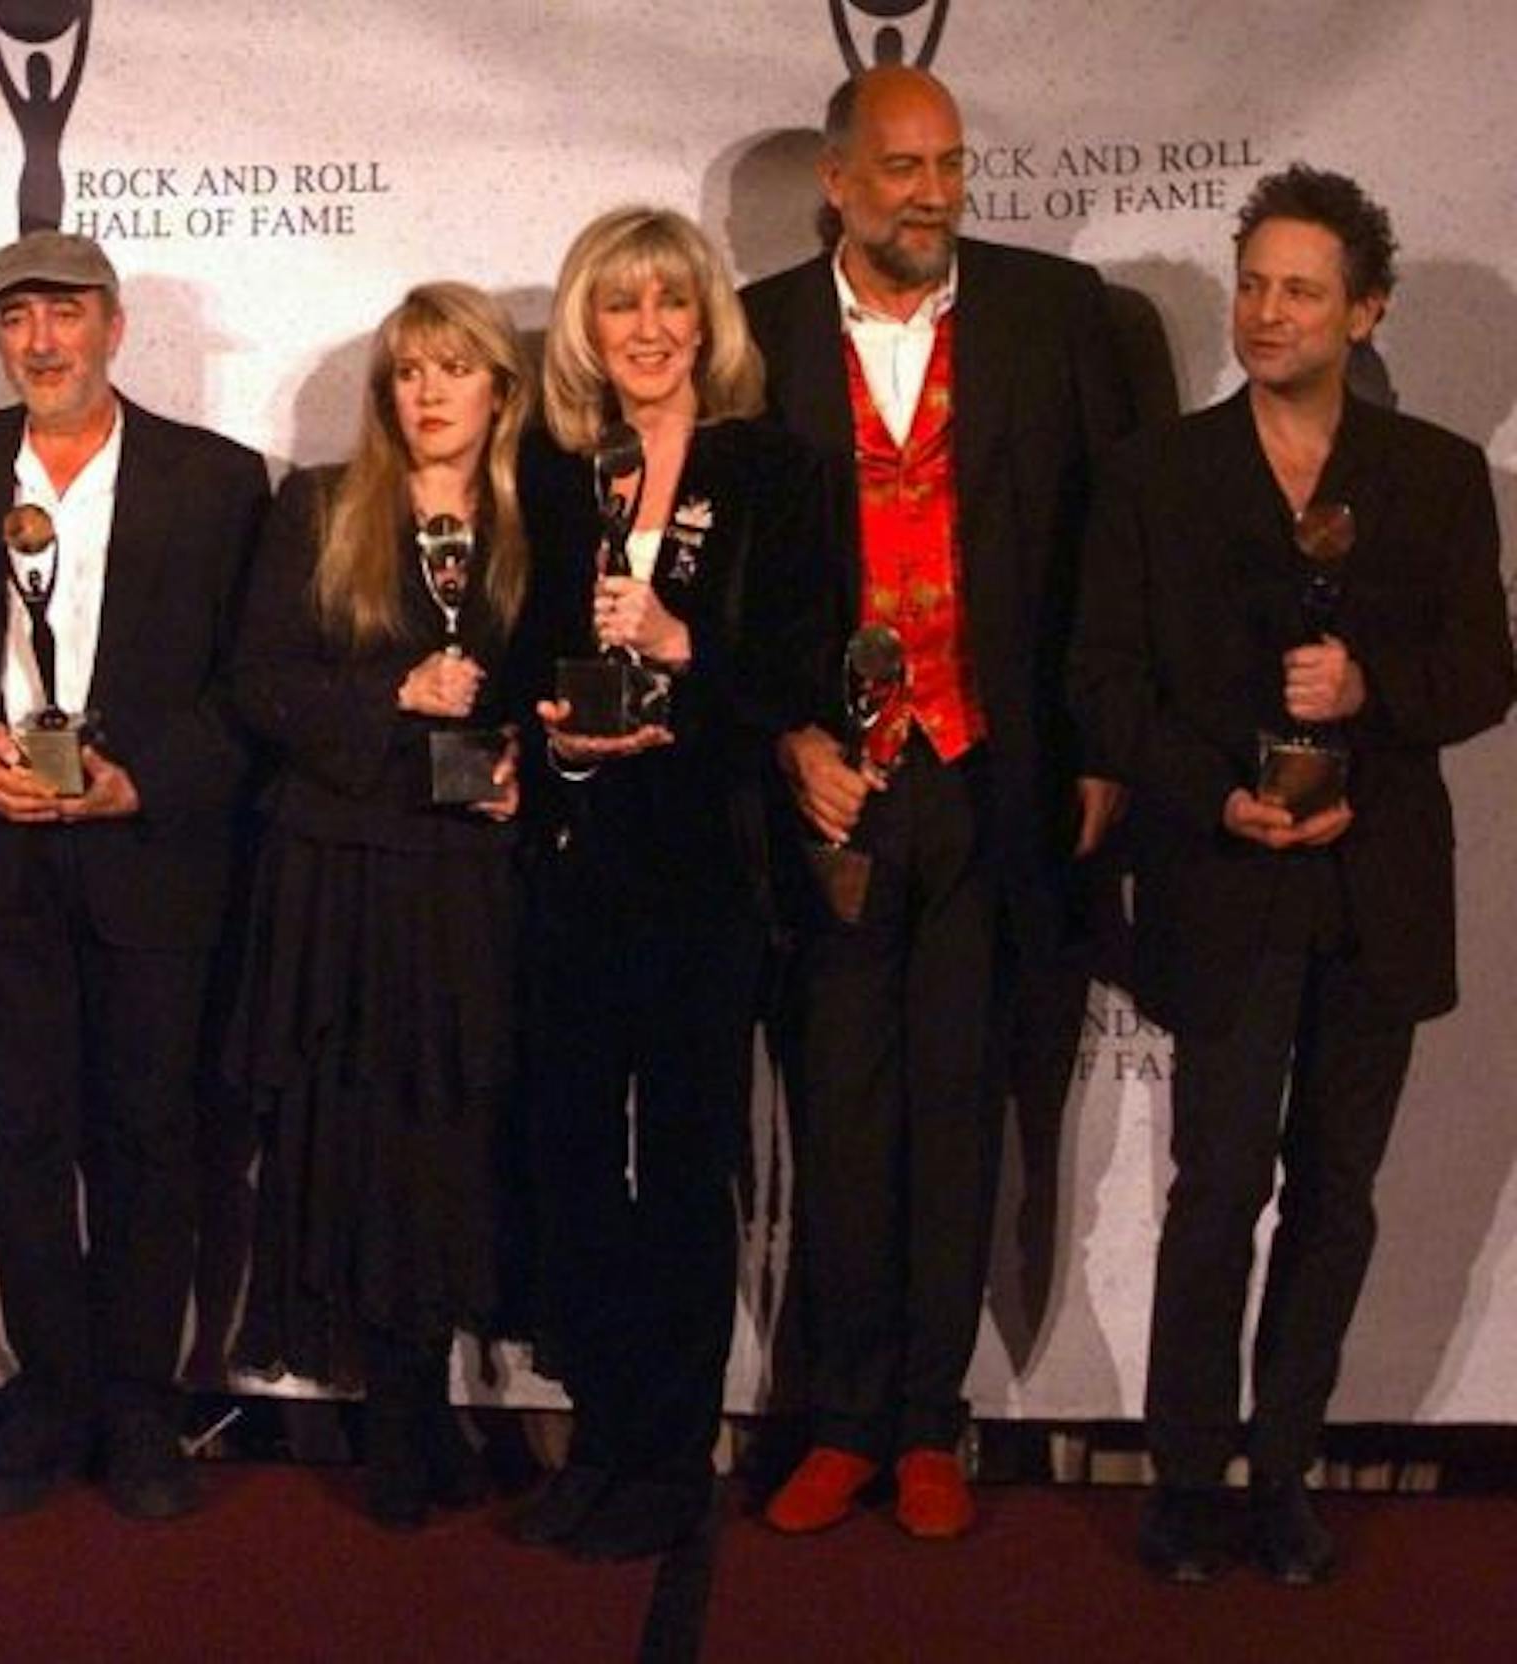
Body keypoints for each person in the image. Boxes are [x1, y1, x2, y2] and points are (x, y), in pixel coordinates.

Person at [1072, 166, 1514, 1585]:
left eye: (1301, 290)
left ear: (1363, 309)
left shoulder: (1441, 478)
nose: (1267, 311)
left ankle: (1284, 1475)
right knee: (1215, 1191)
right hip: (1225, 879)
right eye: (1254, 284)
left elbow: (1483, 676)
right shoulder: (1156, 477)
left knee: (1337, 1192)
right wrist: (1217, 798)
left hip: (1375, 894)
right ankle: (1186, 1480)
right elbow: (1103, 685)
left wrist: (1371, 690)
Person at [741, 64, 1132, 1538]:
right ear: (835, 182)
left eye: (949, 166)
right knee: (841, 1112)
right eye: (900, 168)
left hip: (993, 781)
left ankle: (926, 1425)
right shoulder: (757, 331)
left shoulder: (1055, 314)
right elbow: (728, 581)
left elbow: (1111, 555)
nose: (930, 194)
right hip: (835, 797)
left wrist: (1098, 749)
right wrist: (789, 737)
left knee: (959, 1111)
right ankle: (840, 1420)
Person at [0, 230, 269, 1520]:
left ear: (116, 327)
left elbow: (246, 688)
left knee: (155, 1140)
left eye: (66, 316)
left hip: (151, 857)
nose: (41, 342)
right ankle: (47, 1396)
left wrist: (141, 776)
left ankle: (144, 1407)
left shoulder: (216, 480)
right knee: (24, 1138)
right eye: (19, 319)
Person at [511, 206, 829, 1562]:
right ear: (586, 328)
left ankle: (673, 1450)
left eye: (669, 304)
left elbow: (801, 680)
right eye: (618, 306)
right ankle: (602, 1429)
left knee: (687, 1164)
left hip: (710, 869)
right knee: (575, 1157)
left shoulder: (778, 474)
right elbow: (529, 650)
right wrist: (559, 741)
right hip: (579, 865)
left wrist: (683, 643)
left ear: (708, 320)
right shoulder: (560, 467)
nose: (645, 330)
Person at [228, 282, 530, 1529]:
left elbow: (554, 691)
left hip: (475, 876)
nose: (429, 393)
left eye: (455, 369)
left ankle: (441, 1393)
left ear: (499, 390)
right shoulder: (318, 507)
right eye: (409, 372)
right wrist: (397, 699)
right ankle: (395, 1414)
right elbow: (262, 682)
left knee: (457, 1131)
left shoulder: (539, 518)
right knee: (360, 1134)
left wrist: (521, 769)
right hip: (343, 876)